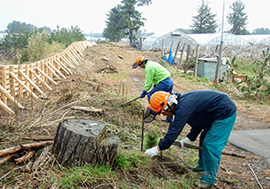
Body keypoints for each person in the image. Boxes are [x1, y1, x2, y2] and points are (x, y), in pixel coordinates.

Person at [144, 90, 237, 188]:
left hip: (224, 112)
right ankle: (202, 167)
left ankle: (209, 179)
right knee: (204, 139)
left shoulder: (183, 108)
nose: (163, 114)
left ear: (168, 106)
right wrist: (190, 137)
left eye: (162, 111)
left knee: (211, 144)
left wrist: (158, 148)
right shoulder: (183, 104)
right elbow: (198, 121)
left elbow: (174, 131)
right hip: (213, 113)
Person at [133, 56, 174, 122]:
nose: (140, 67)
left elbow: (148, 82)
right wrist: (155, 87)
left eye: (140, 65)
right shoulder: (151, 63)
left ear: (143, 63)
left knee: (151, 96)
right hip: (169, 82)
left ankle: (152, 114)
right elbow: (157, 76)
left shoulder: (148, 68)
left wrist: (144, 92)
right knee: (170, 101)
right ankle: (169, 118)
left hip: (164, 83)